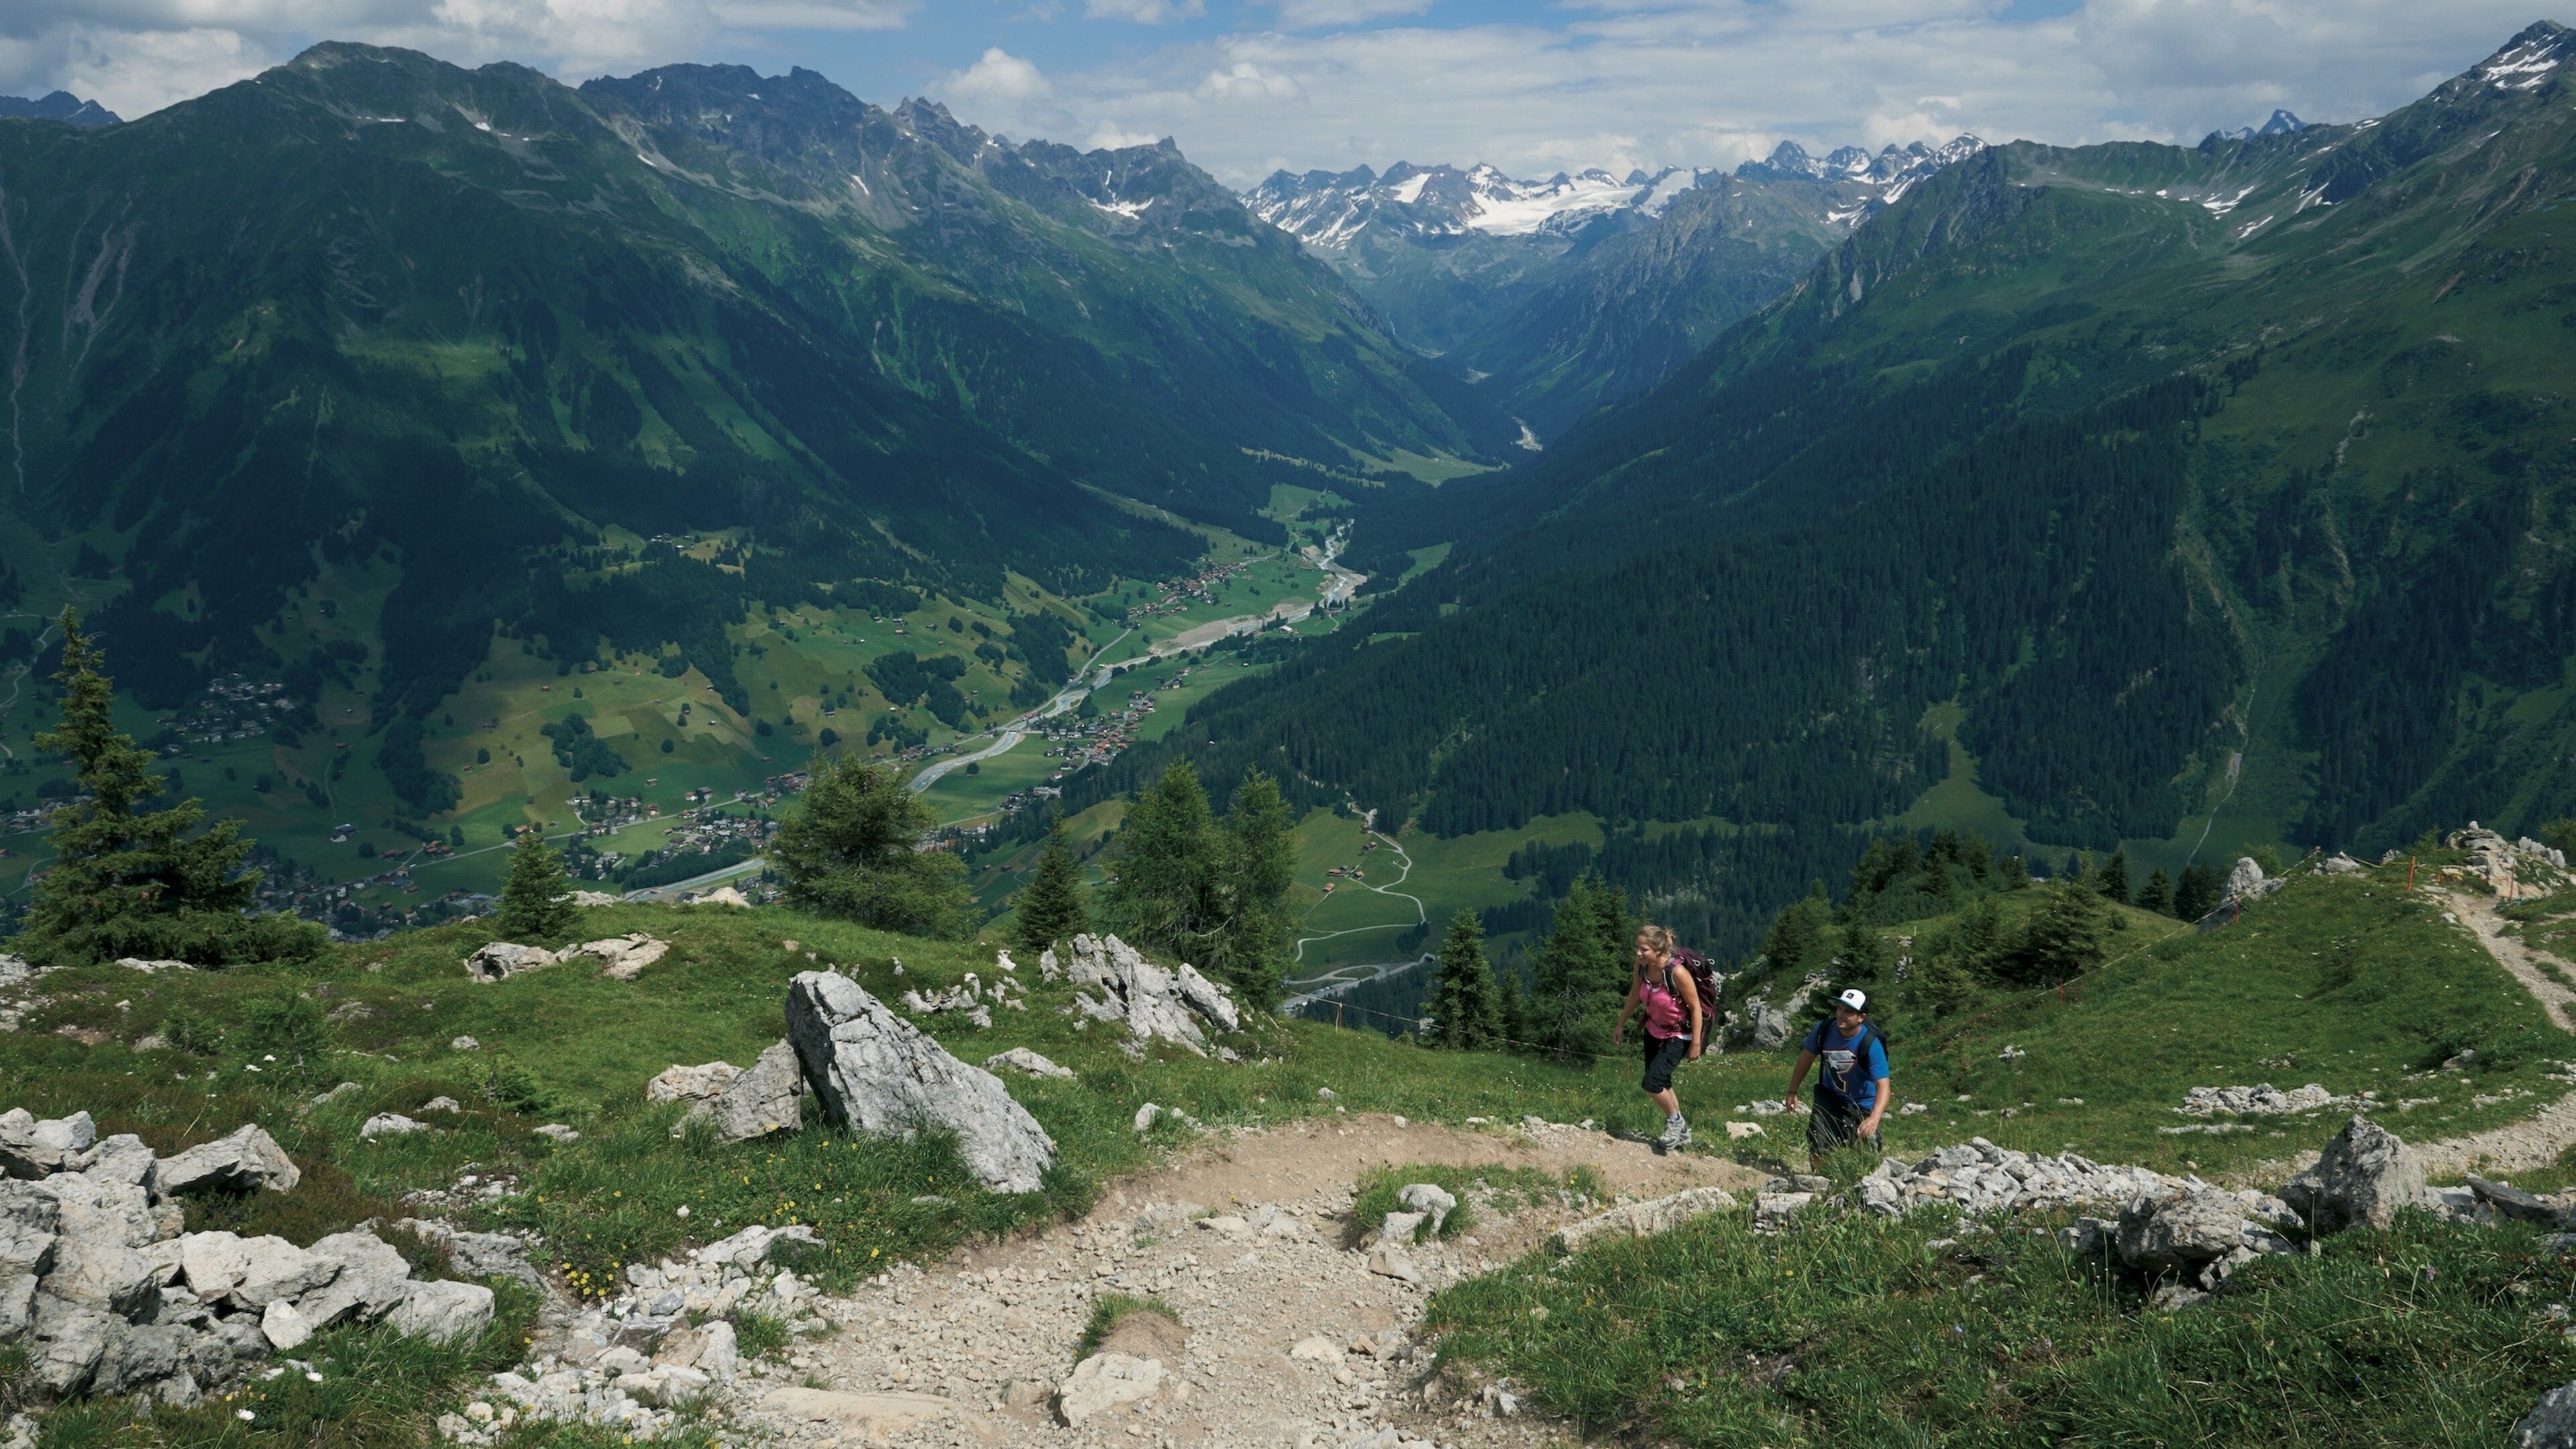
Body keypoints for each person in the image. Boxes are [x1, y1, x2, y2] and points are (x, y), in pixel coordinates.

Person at [1611, 924, 1702, 1152]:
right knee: (1663, 1082)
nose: (1638, 954)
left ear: (1659, 951)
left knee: (1652, 1084)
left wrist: (1696, 1043)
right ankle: (1681, 1133)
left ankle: (1675, 1122)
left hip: (1678, 1035)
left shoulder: (1677, 972)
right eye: (1637, 948)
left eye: (1644, 950)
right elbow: (1634, 994)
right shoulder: (1642, 968)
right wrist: (1621, 1024)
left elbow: (1696, 1007)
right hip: (1653, 1030)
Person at [1784, 988, 1890, 1171]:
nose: (1841, 1015)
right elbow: (1806, 1058)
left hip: (1861, 1103)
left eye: (1848, 1012)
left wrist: (1874, 1118)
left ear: (1861, 1017)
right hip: (1830, 1095)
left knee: (1866, 1148)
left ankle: (1865, 1181)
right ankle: (1820, 1179)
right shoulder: (1824, 1030)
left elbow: (1884, 1086)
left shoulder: (1870, 1043)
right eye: (1840, 1009)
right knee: (1818, 1137)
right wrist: (1792, 1091)